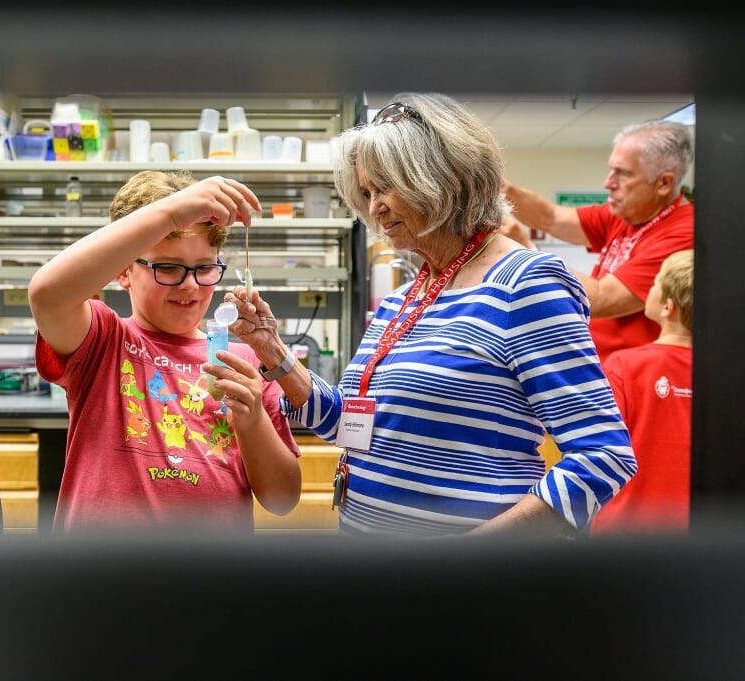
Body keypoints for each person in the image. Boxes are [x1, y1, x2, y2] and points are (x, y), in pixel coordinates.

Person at [224, 93, 637, 538]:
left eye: (387, 186)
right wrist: (273, 350)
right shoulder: (403, 300)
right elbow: (347, 422)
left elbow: (602, 456)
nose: (375, 206)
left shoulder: (527, 283)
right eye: (367, 192)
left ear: (442, 177)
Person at [29, 170, 301, 534]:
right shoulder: (102, 341)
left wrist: (252, 421)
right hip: (99, 580)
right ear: (124, 270)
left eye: (204, 268)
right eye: (168, 267)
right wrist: (172, 212)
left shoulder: (245, 363)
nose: (189, 285)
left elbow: (282, 499)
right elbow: (47, 294)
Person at [501, 119, 694, 364]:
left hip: (632, 377)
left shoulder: (683, 231)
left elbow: (603, 299)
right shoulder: (626, 214)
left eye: (622, 173)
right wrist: (498, 186)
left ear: (663, 183)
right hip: (600, 365)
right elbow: (549, 217)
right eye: (611, 169)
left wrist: (526, 249)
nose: (608, 182)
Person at [591, 249, 694, 535]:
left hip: (624, 530)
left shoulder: (624, 366)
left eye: (654, 284)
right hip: (701, 530)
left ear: (667, 307)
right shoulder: (726, 372)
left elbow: (598, 449)